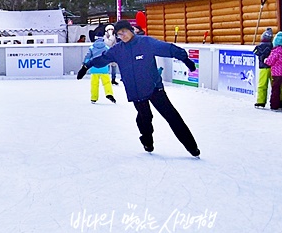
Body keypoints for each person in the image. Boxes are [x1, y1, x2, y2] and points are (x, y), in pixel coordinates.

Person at [77, 20, 200, 156]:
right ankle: (147, 142)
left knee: (171, 116)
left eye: (123, 32)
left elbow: (168, 48)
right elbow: (102, 59)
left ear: (131, 30)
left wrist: (186, 59)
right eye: (118, 34)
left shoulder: (146, 43)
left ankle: (192, 147)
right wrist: (86, 66)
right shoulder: (118, 50)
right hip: (136, 91)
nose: (122, 36)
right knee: (144, 118)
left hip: (154, 88)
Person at [82, 35, 115, 104]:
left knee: (94, 84)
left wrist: (85, 63)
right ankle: (109, 93)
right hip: (104, 68)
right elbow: (109, 55)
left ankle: (94, 98)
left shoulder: (92, 47)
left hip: (94, 68)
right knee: (107, 83)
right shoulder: (106, 47)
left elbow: (87, 56)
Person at [261, 31, 282, 111]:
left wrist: (265, 60)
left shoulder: (275, 51)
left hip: (276, 74)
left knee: (276, 89)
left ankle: (275, 105)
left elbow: (270, 61)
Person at [253, 28, 274, 109]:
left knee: (262, 85)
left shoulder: (259, 46)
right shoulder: (272, 46)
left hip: (262, 68)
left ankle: (261, 101)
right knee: (275, 85)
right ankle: (279, 100)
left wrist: (261, 55)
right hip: (272, 68)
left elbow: (255, 52)